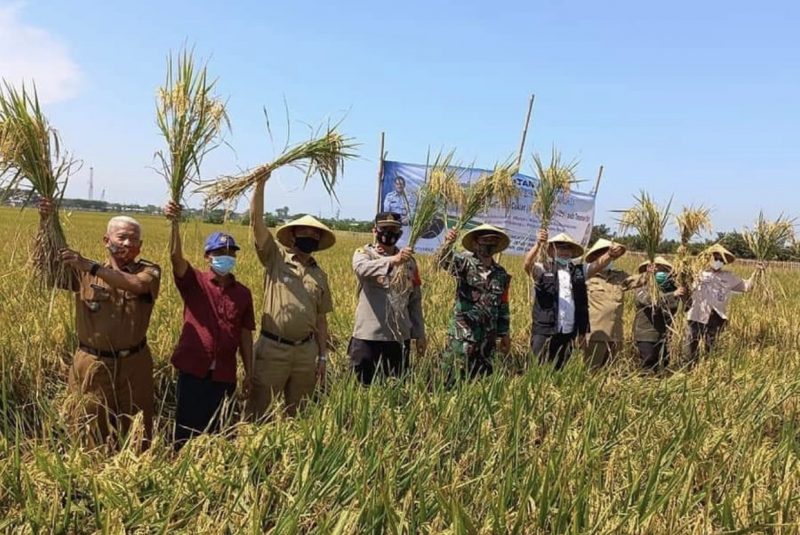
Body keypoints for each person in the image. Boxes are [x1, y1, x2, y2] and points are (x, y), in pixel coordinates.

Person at [39, 199, 160, 449]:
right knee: (88, 428)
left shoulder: (149, 272)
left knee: (137, 432)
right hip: (92, 365)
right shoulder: (82, 274)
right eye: (122, 237)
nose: (127, 244)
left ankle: (135, 468)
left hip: (134, 365)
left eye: (134, 239)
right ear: (107, 240)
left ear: (140, 246)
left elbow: (137, 285)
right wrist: (46, 221)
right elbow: (49, 270)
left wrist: (92, 266)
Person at [164, 202, 255, 449]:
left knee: (219, 431)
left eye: (231, 253)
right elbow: (175, 258)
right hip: (194, 371)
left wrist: (249, 372)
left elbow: (245, 335)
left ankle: (213, 467)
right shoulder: (195, 282)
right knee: (186, 432)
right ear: (208, 256)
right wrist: (174, 223)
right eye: (220, 252)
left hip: (224, 374)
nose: (226, 257)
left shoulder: (243, 294)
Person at [247, 175, 335, 418]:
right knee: (258, 413)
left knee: (300, 415)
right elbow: (256, 223)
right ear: (293, 236)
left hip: (306, 352)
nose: (309, 237)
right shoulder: (275, 258)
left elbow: (321, 320)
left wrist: (322, 356)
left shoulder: (319, 275)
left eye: (314, 235)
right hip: (273, 349)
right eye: (304, 232)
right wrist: (260, 185)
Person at [523, 229, 622, 370]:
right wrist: (538, 244)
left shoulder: (578, 272)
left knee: (560, 367)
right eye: (560, 248)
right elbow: (527, 264)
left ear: (572, 252)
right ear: (551, 251)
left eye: (568, 248)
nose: (564, 251)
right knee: (536, 366)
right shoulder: (543, 268)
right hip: (545, 328)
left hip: (569, 330)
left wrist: (609, 255)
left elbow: (596, 266)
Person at [349, 212, 426, 385]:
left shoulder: (410, 263)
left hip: (399, 338)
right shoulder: (365, 254)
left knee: (396, 388)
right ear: (374, 231)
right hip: (369, 337)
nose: (389, 233)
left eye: (394, 229)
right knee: (362, 388)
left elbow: (414, 301)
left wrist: (420, 334)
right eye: (384, 228)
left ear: (400, 233)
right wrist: (394, 260)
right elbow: (362, 269)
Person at [437, 224, 512, 380]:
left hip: (488, 339)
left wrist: (504, 333)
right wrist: (448, 243)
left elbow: (503, 305)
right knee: (450, 378)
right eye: (485, 240)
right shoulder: (465, 264)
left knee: (482, 380)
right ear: (476, 243)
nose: (489, 245)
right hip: (463, 336)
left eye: (493, 241)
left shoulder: (501, 274)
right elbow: (443, 260)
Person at [684, 244, 764, 364]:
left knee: (711, 346)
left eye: (721, 260)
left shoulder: (728, 277)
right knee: (690, 345)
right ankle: (689, 367)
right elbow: (683, 287)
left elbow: (747, 286)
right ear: (708, 258)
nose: (718, 262)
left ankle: (708, 367)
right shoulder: (697, 274)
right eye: (716, 258)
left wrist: (757, 272)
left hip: (716, 316)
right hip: (697, 314)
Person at [582, 238, 642, 368]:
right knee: (592, 370)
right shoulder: (586, 275)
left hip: (615, 334)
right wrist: (608, 255)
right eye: (604, 254)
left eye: (611, 255)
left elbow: (638, 280)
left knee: (611, 371)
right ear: (596, 256)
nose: (609, 258)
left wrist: (651, 272)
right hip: (595, 334)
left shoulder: (619, 276)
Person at [633, 258, 686, 372]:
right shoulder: (642, 288)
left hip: (665, 335)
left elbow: (680, 307)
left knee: (663, 364)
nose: (659, 271)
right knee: (648, 361)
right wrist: (673, 295)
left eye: (662, 269)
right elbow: (650, 301)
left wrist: (682, 293)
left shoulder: (670, 288)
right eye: (655, 268)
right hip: (646, 334)